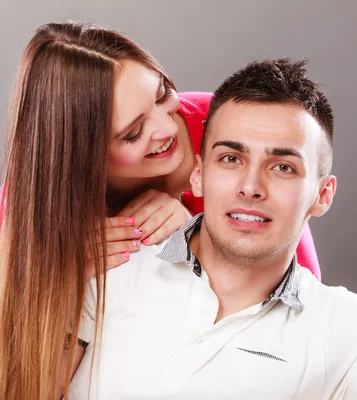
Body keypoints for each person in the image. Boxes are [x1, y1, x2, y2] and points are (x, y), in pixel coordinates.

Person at [67, 59, 357, 399]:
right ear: (199, 176)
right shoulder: (107, 268)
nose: (251, 186)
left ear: (322, 195)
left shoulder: (339, 326)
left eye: (283, 167)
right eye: (231, 158)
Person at [0, 22, 320, 400]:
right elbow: (19, 369)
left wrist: (202, 239)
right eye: (133, 133)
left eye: (162, 94)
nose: (167, 126)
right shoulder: (33, 209)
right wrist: (60, 274)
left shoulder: (230, 130)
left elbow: (303, 305)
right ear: (82, 159)